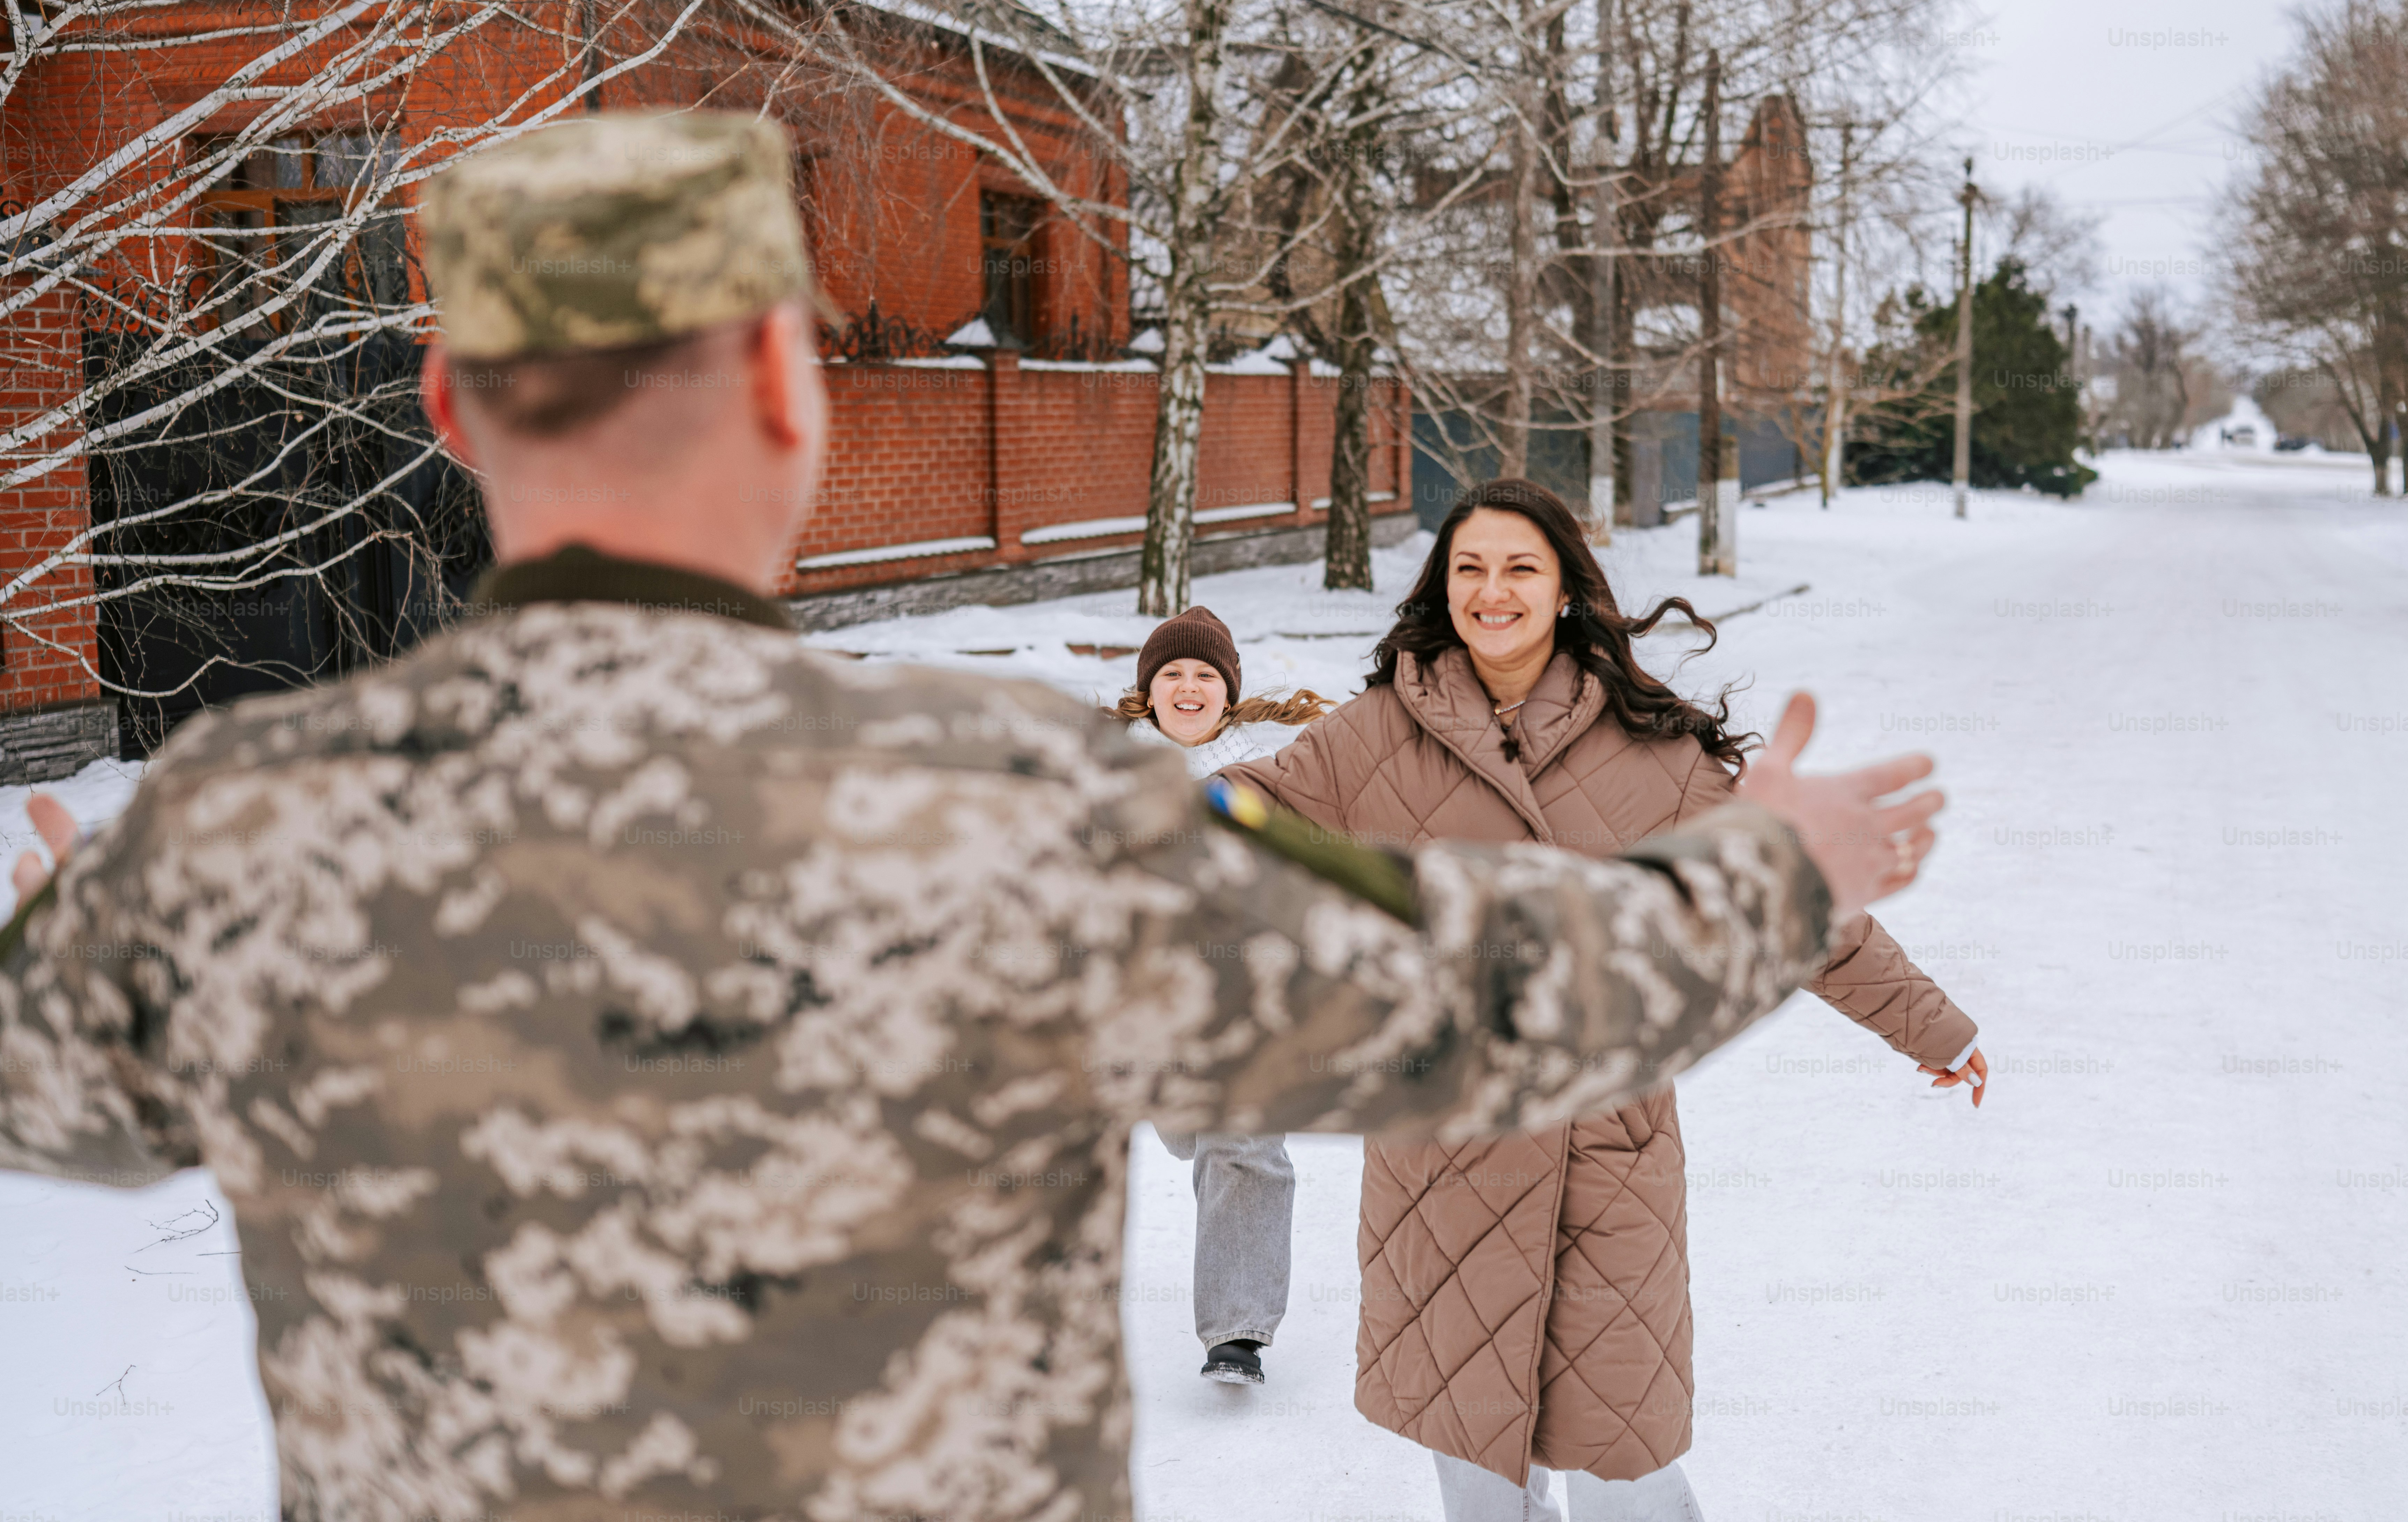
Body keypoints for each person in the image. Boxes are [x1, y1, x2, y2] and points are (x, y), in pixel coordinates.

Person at [0, 115, 1945, 1522]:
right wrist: (1765, 869)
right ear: (792, 388)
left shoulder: (249, 834)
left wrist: (105, 937)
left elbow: (50, 1081)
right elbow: (1478, 991)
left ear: (445, 399)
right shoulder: (1029, 808)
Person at [1221, 478, 1987, 1522]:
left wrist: (1926, 1022)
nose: (1492, 591)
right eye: (1469, 569)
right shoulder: (1368, 737)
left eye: (1519, 567)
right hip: (1441, 1157)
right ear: (1442, 587)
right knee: (1476, 1472)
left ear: (1568, 589)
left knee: (1626, 1468)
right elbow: (1232, 818)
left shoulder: (1654, 749)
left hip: (1608, 1154)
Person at [1111, 605, 1334, 1383]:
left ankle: (1237, 1331)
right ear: (1148, 692)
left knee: (1242, 1140)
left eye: (1206, 674)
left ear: (1228, 692)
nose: (1188, 685)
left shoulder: (1269, 778)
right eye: (1172, 673)